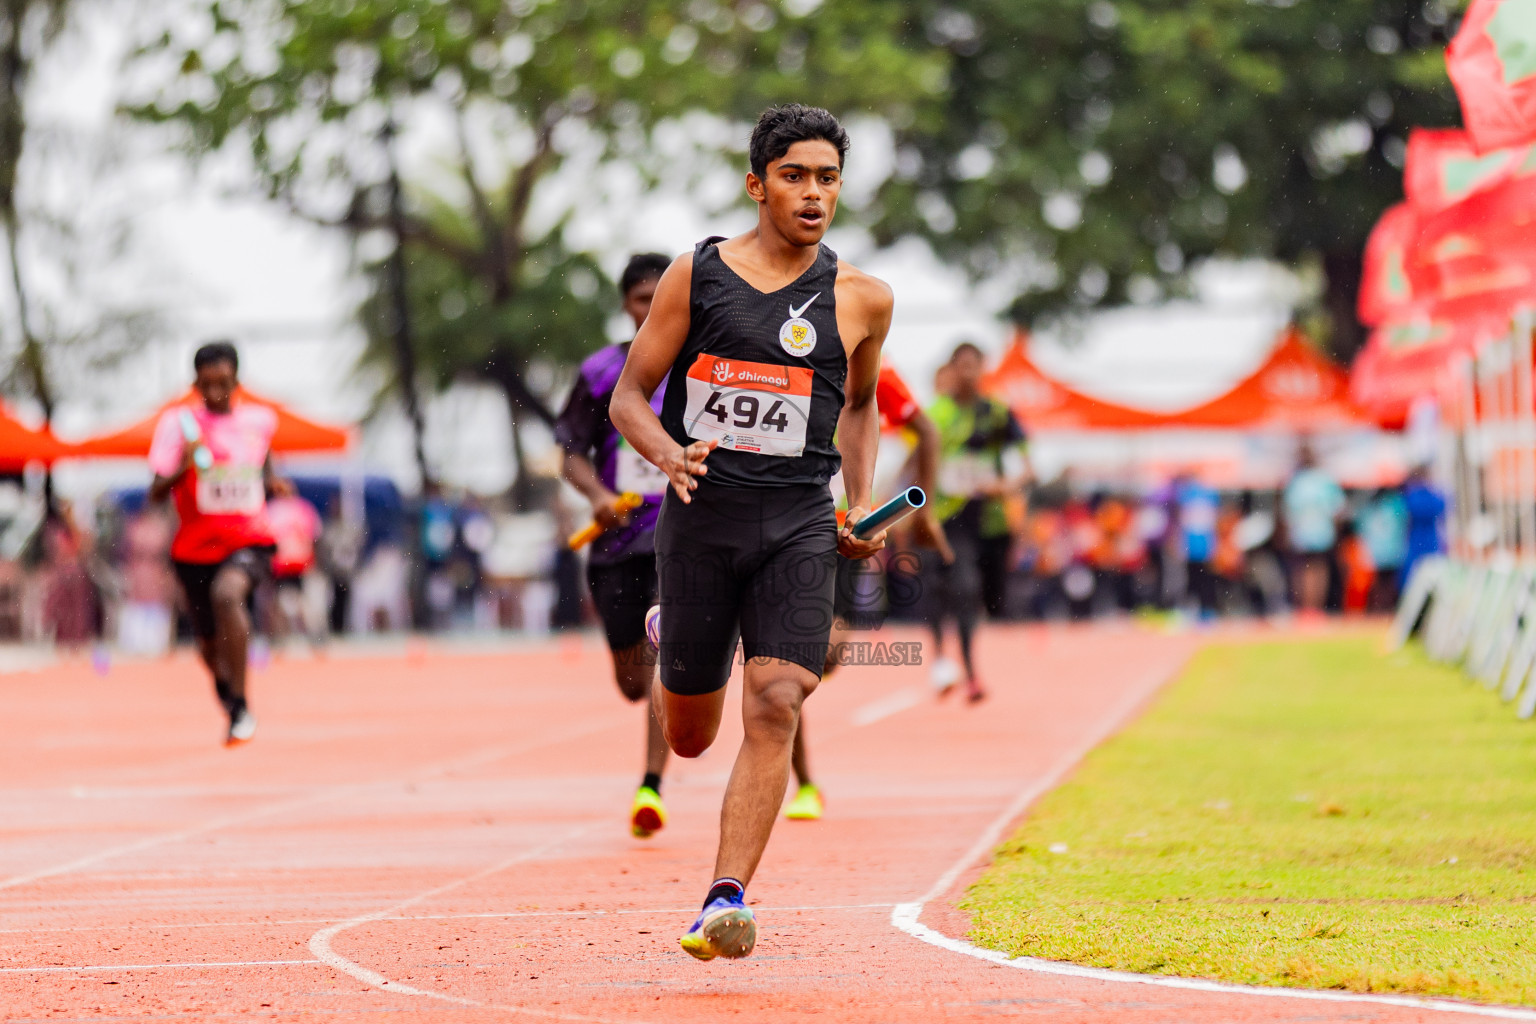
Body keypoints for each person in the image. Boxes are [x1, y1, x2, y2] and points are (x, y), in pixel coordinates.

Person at [610, 104, 890, 961]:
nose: (814, 195)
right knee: (690, 737)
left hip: (799, 522)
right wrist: (669, 455)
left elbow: (863, 405)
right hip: (701, 520)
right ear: (757, 183)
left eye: (828, 178)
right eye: (796, 176)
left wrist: (859, 503)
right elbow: (630, 397)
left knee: (776, 701)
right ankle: (675, 641)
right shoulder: (696, 276)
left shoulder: (863, 299)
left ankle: (723, 900)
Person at [792, 362, 951, 822]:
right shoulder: (783, 350)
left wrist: (925, 511)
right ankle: (804, 784)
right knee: (787, 660)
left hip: (850, 532)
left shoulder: (878, 371)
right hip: (792, 524)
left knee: (824, 658)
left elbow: (928, 433)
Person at [554, 251, 674, 839]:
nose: (651, 311)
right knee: (633, 678)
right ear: (625, 306)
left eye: (661, 298)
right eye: (640, 301)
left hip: (680, 537)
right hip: (615, 544)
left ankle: (650, 785)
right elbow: (570, 452)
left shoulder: (703, 369)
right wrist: (599, 494)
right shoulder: (601, 372)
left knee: (664, 653)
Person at [148, 341, 290, 745]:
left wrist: (272, 483)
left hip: (249, 539)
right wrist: (184, 466)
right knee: (209, 648)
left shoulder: (259, 421)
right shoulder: (178, 425)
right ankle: (228, 692)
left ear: (237, 381)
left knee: (228, 595)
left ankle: (242, 704)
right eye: (207, 384)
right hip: (194, 549)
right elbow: (155, 491)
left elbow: (261, 467)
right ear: (195, 383)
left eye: (223, 383)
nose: (215, 392)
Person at [926, 342, 1029, 699]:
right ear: (952, 370)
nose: (968, 373)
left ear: (984, 368)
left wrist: (1004, 484)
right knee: (957, 587)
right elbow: (916, 461)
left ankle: (961, 665)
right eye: (962, 366)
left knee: (987, 598)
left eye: (975, 365)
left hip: (991, 520)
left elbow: (1029, 468)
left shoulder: (998, 412)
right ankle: (962, 671)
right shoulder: (936, 413)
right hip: (947, 517)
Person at [1283, 445, 1345, 617]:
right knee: (1317, 570)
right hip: (1321, 533)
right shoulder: (1324, 480)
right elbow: (1338, 508)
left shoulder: (1296, 481)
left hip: (1302, 534)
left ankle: (1305, 608)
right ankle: (1314, 609)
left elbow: (1288, 512)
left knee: (1303, 570)